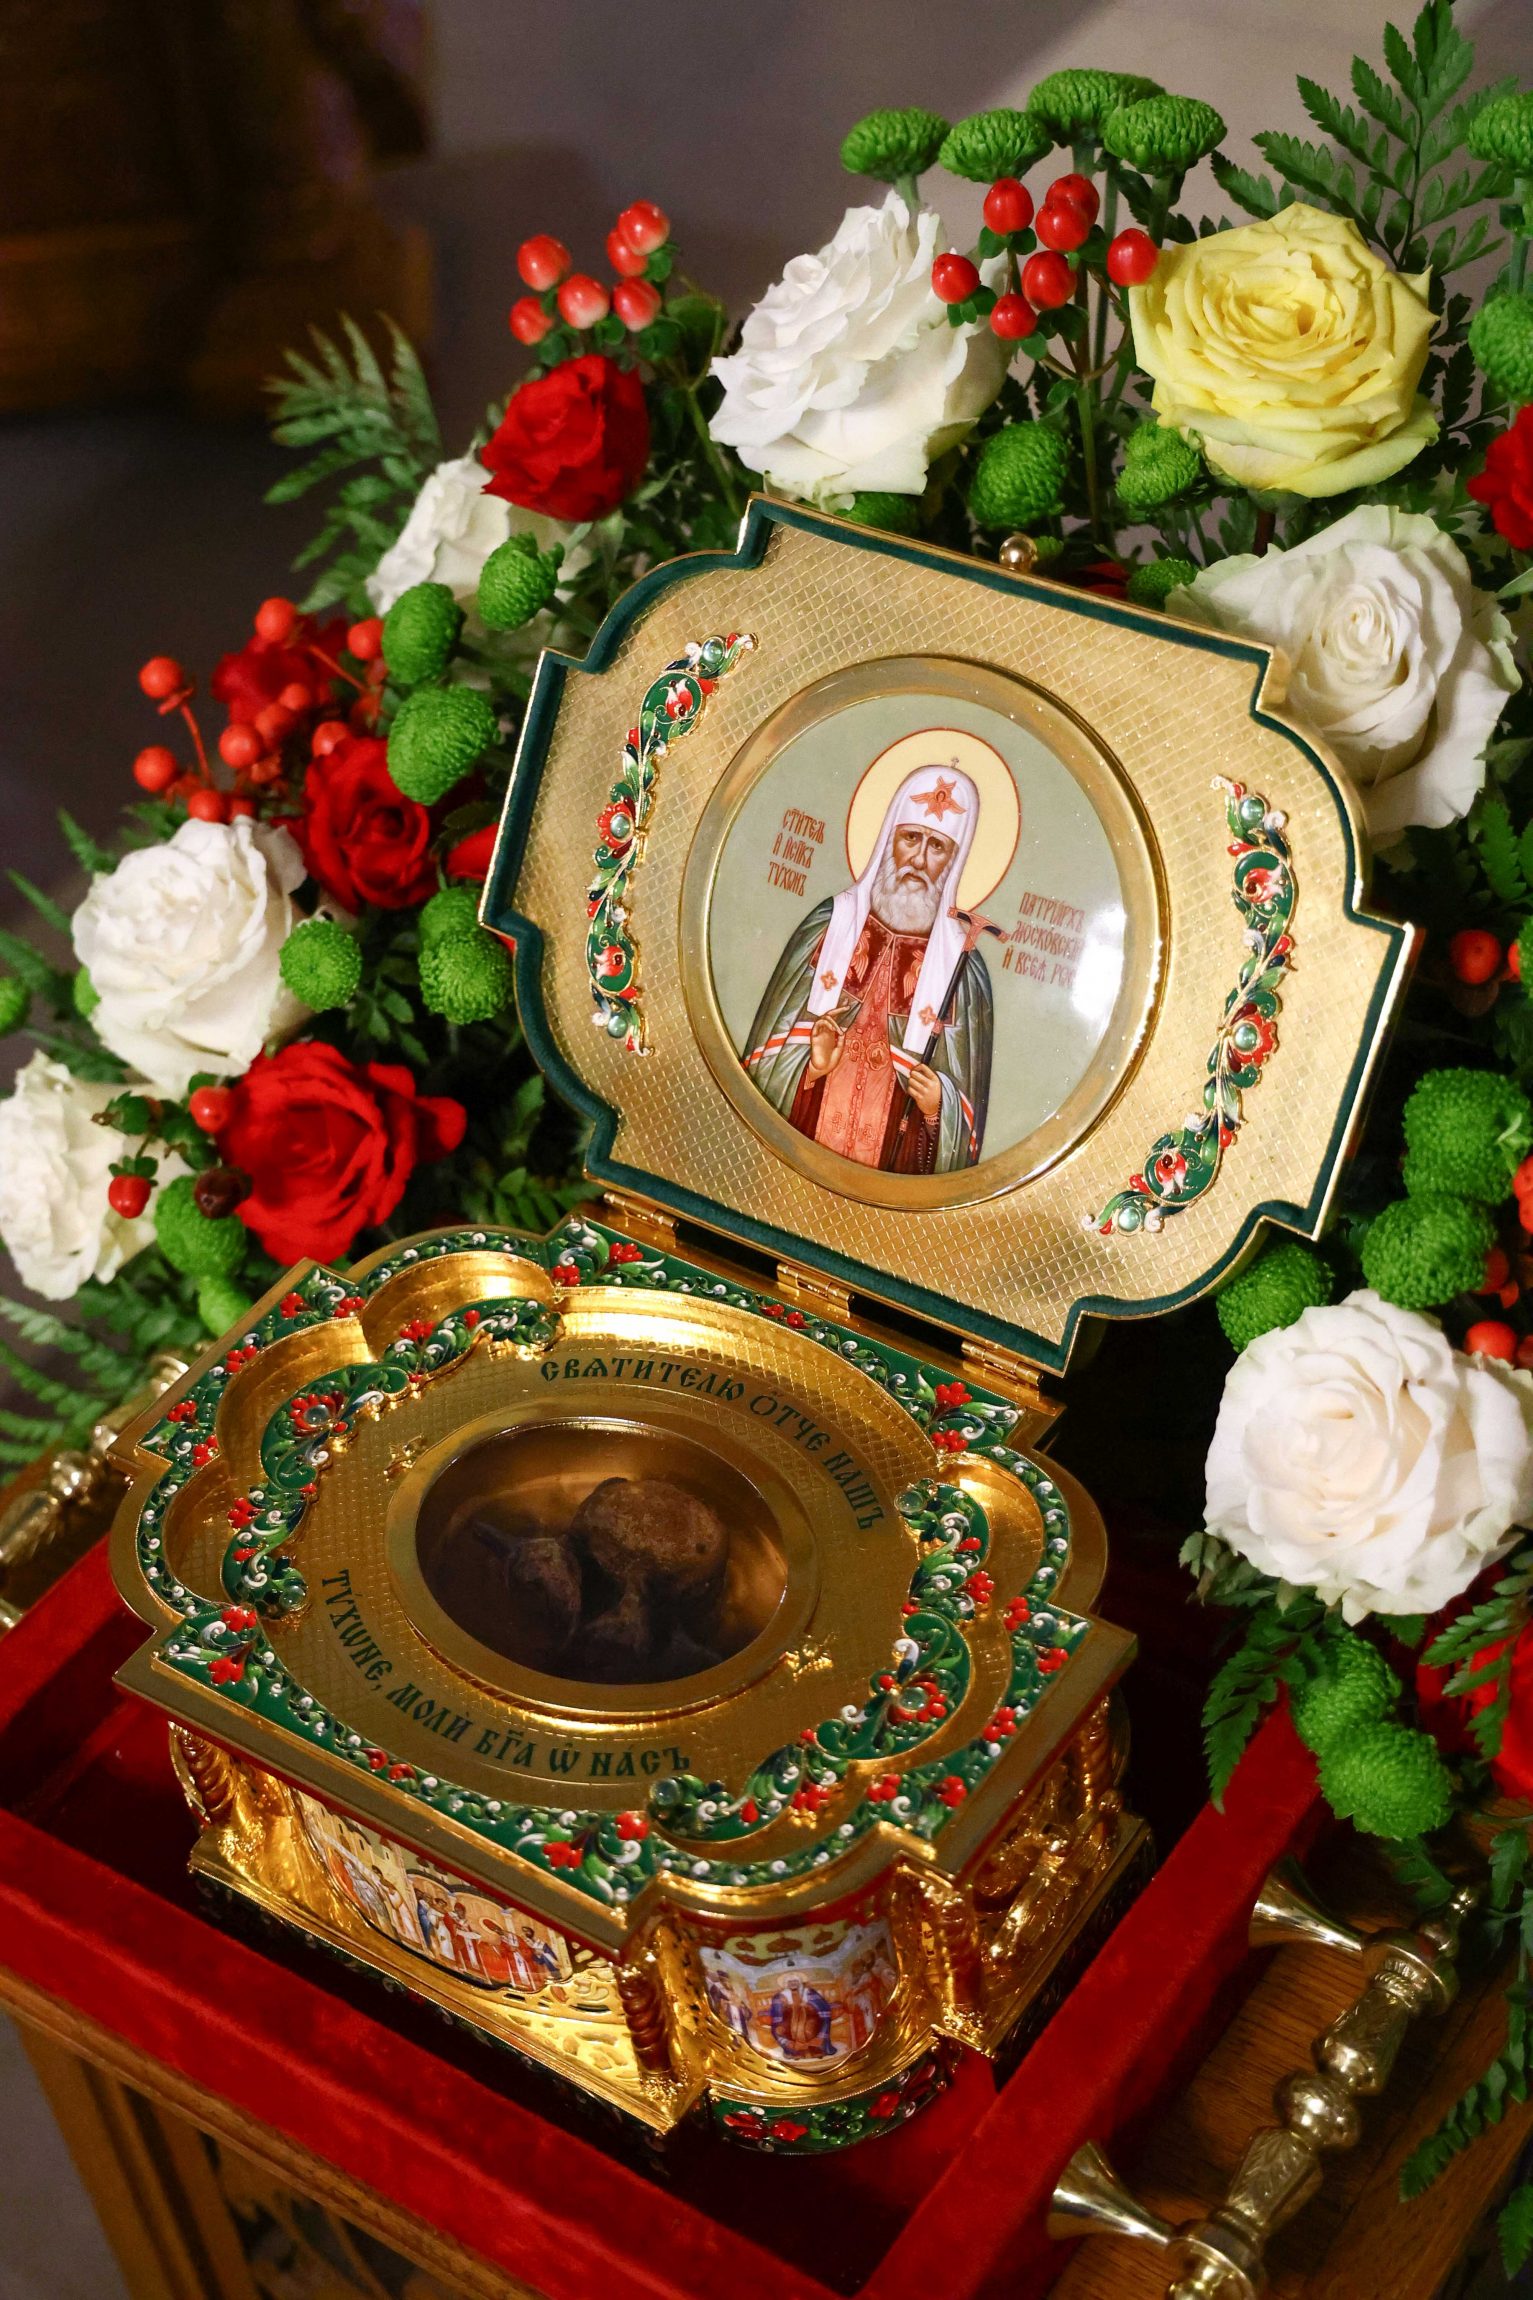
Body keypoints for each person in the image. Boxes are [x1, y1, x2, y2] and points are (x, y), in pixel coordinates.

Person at [742, 764, 993, 1173]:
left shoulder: (962, 968)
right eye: (910, 838)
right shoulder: (829, 926)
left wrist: (937, 1106)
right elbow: (764, 1060)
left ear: (954, 860)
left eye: (937, 846)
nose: (919, 859)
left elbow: (965, 1113)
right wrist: (812, 1068)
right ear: (888, 838)